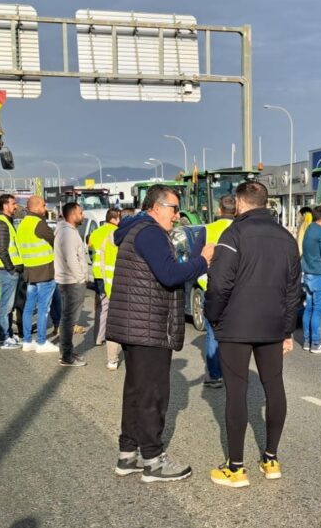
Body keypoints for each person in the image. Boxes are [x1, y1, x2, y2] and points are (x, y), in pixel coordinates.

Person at [107, 184, 213, 483]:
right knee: (153, 393)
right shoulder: (150, 232)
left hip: (136, 322)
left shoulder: (135, 229)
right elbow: (169, 274)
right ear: (156, 207)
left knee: (136, 391)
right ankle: (153, 459)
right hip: (148, 324)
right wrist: (203, 260)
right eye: (173, 208)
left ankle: (128, 454)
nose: (177, 215)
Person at [205, 181, 303, 488]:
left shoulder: (232, 234)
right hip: (272, 325)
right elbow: (293, 291)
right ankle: (271, 459)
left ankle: (236, 467)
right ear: (266, 202)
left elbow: (219, 284)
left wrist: (213, 317)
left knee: (237, 391)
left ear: (239, 202)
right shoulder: (286, 238)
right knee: (274, 387)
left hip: (235, 325)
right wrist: (287, 329)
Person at [198, 195, 235, 385]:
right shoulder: (240, 229)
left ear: (219, 210)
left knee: (213, 333)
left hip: (212, 288)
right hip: (236, 291)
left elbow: (198, 260)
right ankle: (233, 374)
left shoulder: (207, 229)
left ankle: (214, 375)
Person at [16, 196, 58, 353]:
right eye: (43, 205)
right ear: (35, 207)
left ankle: (27, 341)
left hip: (29, 272)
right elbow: (55, 241)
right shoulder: (39, 223)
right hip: (44, 272)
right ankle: (41, 342)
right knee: (43, 307)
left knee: (28, 307)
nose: (45, 208)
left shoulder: (22, 224)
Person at [54, 202, 89, 367]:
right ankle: (66, 356)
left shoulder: (66, 231)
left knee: (67, 318)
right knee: (69, 320)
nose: (83, 216)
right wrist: (81, 278)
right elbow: (71, 258)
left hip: (68, 280)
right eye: (81, 213)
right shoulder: (68, 234)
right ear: (73, 214)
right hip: (71, 282)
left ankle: (66, 351)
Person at [0, 194, 22, 349]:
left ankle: (9, 334)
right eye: (13, 203)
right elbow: (3, 250)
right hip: (6, 271)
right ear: (5, 206)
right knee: (6, 306)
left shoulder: (6, 222)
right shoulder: (2, 223)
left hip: (9, 271)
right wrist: (11, 269)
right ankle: (4, 338)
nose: (15, 206)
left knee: (9, 306)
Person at [300, 207, 321, 352]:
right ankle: (316, 343)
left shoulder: (309, 229)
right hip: (320, 275)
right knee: (318, 311)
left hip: (308, 274)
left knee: (309, 309)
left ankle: (307, 341)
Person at [98, 211, 125, 370]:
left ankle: (112, 360)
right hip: (126, 290)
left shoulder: (107, 239)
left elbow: (102, 265)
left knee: (113, 325)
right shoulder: (130, 240)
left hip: (111, 288)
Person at [89, 209, 120, 345]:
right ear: (114, 219)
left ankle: (98, 336)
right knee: (109, 307)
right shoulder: (115, 233)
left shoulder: (95, 233)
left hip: (97, 274)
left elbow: (90, 251)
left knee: (100, 306)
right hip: (110, 274)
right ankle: (105, 336)